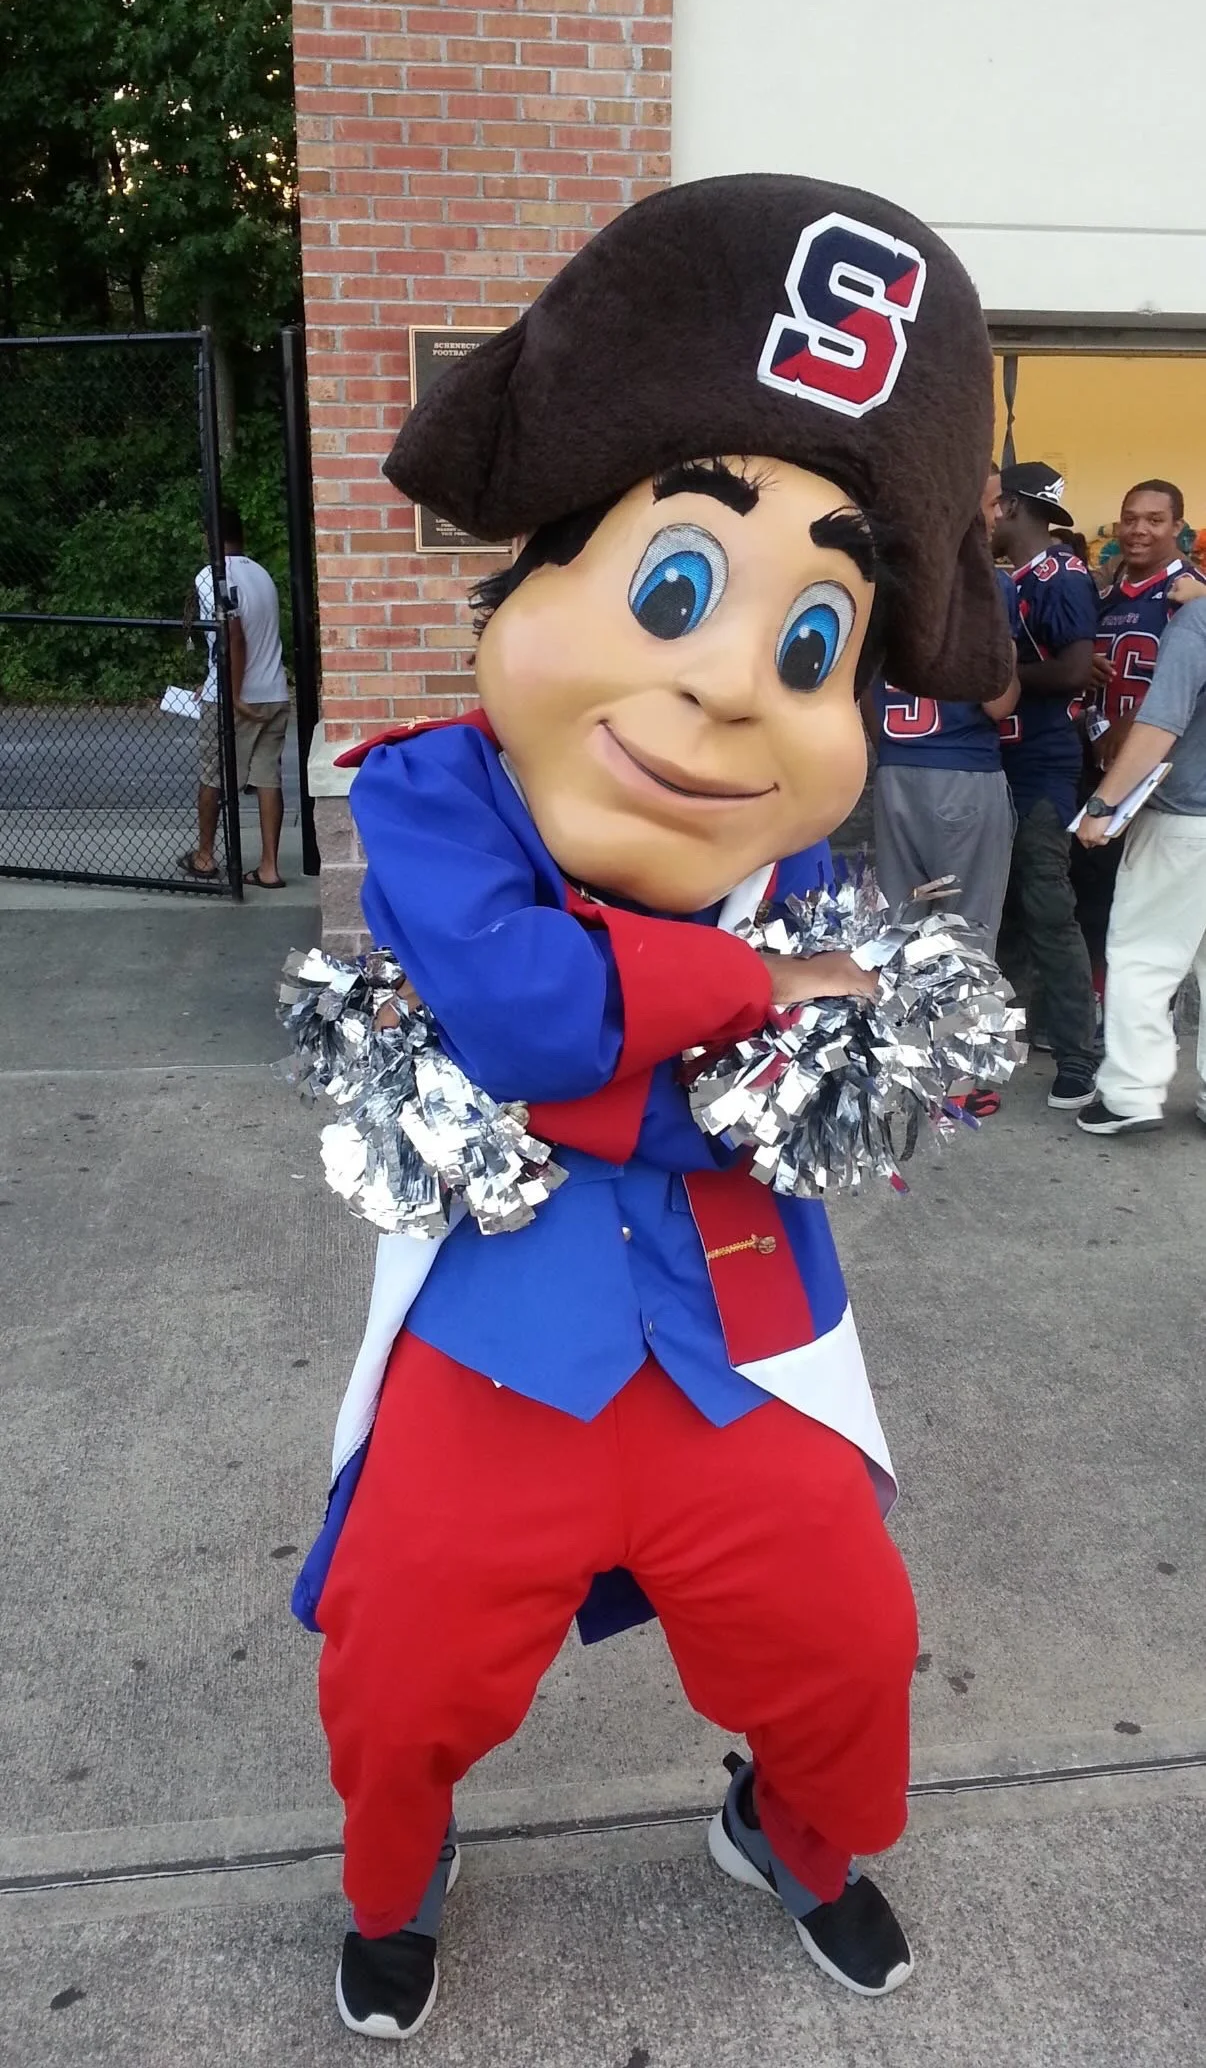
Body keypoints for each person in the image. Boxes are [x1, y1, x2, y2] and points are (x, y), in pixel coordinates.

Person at [293, 177, 1012, 2041]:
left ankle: (794, 1831)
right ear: (532, 572)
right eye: (677, 584)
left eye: (808, 645)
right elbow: (524, 1019)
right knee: (405, 1652)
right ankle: (398, 1875)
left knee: (850, 1636)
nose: (718, 682)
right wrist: (753, 994)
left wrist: (645, 1052)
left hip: (741, 1331)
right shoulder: (440, 792)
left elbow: (813, 1105)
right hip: (500, 1335)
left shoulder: (808, 868)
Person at [864, 470, 1019, 1113]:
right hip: (962, 773)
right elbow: (999, 701)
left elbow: (863, 698)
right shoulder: (985, 587)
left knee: (904, 926)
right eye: (988, 502)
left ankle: (902, 1064)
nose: (997, 514)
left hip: (896, 770)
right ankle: (959, 1079)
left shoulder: (883, 582)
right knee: (968, 929)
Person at [1074, 594, 1206, 1134]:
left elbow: (1160, 723)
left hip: (1184, 817)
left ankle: (1130, 1095)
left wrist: (1103, 803)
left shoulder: (1199, 621)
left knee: (1142, 958)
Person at [992, 462, 1100, 1108]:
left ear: (1008, 507)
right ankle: (1016, 1027)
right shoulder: (1018, 578)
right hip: (1005, 757)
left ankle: (1077, 1056)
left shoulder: (1064, 574)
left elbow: (1075, 670)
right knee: (1006, 906)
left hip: (1045, 761)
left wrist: (996, 678)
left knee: (1047, 905)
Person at [1074, 480, 1201, 1001]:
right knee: (1098, 895)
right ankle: (1104, 1008)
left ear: (1178, 527)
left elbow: (1171, 699)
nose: (1139, 530)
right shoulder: (1101, 593)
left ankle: (1139, 1021)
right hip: (1094, 758)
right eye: (1130, 518)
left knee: (1149, 922)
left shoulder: (1190, 594)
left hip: (1159, 777)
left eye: (1154, 520)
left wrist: (1125, 733)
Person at [177, 505, 290, 889]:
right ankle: (269, 868)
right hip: (274, 691)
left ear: (209, 537)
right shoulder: (261, 574)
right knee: (267, 778)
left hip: (237, 696)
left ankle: (205, 856)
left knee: (213, 774)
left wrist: (232, 692)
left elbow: (234, 636)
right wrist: (212, 677)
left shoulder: (213, 575)